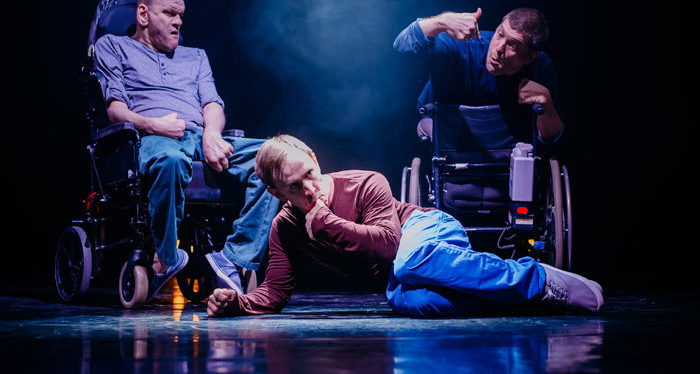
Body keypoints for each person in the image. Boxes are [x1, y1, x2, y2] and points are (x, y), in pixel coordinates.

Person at [206, 134, 603, 318]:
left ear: (312, 155)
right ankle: (518, 299)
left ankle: (536, 280)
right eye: (295, 186)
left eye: (310, 172)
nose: (310, 188)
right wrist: (237, 302)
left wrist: (325, 222)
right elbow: (274, 291)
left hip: (425, 232)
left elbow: (387, 246)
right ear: (277, 193)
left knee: (408, 264)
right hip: (402, 275)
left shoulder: (364, 182)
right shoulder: (285, 227)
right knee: (407, 301)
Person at [94, 0, 279, 301]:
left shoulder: (195, 57)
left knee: (276, 155)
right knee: (171, 161)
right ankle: (166, 259)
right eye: (169, 13)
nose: (178, 22)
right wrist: (154, 124)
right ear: (143, 14)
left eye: (180, 15)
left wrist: (211, 135)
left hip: (198, 136)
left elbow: (212, 104)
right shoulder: (112, 46)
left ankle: (232, 259)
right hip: (148, 139)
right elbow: (115, 109)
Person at [393, 8, 564, 145]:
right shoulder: (462, 46)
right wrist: (441, 21)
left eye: (513, 45)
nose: (498, 48)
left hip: (506, 157)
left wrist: (546, 104)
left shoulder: (540, 67)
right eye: (500, 34)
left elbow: (549, 137)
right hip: (451, 143)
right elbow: (401, 47)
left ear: (530, 57)